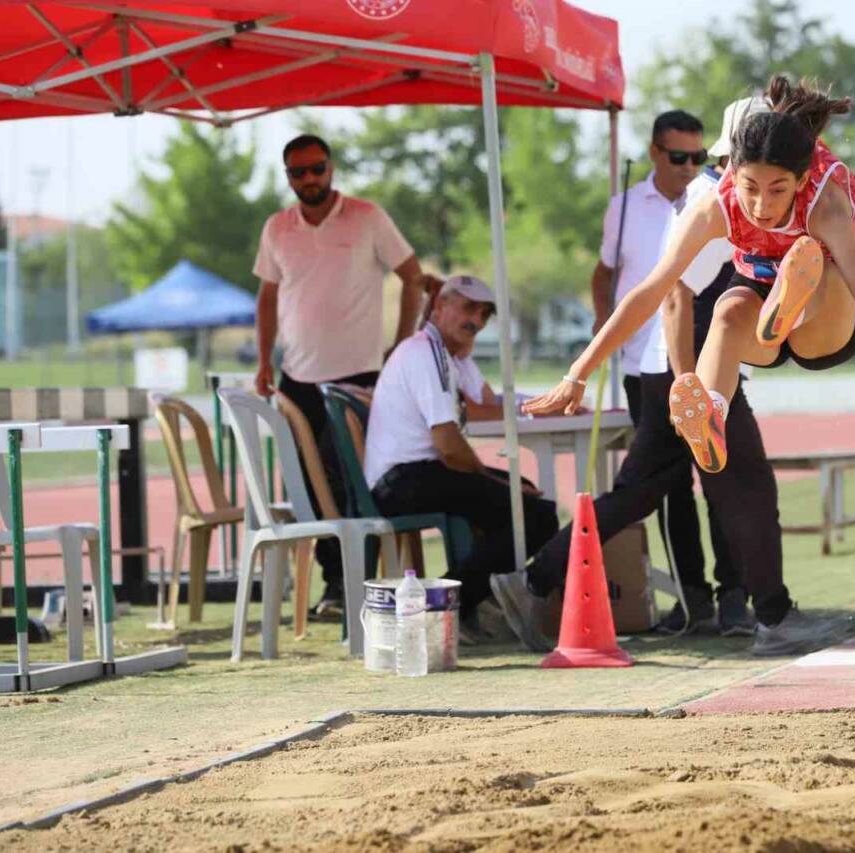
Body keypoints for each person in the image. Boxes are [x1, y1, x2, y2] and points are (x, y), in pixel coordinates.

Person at [523, 76, 855, 648]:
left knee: (697, 480)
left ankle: (751, 607)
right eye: (743, 180)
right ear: (732, 162)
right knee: (731, 328)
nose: (761, 202)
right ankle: (708, 418)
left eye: (776, 187)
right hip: (704, 352)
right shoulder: (714, 202)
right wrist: (595, 374)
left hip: (787, 333)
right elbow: (660, 295)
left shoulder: (809, 197)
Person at [253, 133, 439, 616]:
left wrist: (400, 346)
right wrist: (261, 363)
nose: (309, 179)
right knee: (312, 489)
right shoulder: (276, 228)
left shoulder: (368, 216)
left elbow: (413, 277)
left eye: (317, 168)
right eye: (298, 172)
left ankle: (363, 585)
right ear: (288, 176)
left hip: (360, 376)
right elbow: (267, 298)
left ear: (331, 168)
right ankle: (337, 587)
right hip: (297, 379)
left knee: (356, 482)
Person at [364, 275, 560, 637]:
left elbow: (484, 404)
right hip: (404, 478)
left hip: (415, 473)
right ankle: (437, 608)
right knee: (535, 515)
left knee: (526, 500)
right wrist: (498, 480)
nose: (478, 320)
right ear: (439, 307)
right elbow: (450, 446)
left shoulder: (447, 353)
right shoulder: (428, 354)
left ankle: (468, 606)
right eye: (468, 308)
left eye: (485, 313)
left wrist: (538, 406)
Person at [589, 109, 714, 609]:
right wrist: (605, 323)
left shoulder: (709, 198)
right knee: (668, 488)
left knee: (716, 479)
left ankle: (732, 595)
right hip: (642, 368)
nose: (689, 166)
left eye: (698, 156)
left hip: (700, 364)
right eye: (679, 156)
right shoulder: (622, 207)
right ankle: (691, 599)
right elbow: (603, 274)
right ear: (655, 154)